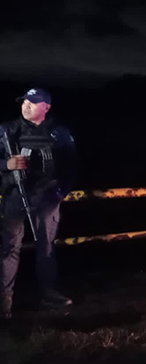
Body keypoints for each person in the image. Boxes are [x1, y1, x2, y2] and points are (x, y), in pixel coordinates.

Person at [0, 88, 77, 319]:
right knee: (8, 248)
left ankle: (49, 295)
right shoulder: (7, 130)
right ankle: (4, 301)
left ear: (46, 107)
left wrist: (60, 193)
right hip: (15, 196)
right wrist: (7, 165)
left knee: (46, 248)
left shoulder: (59, 133)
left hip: (47, 198)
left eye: (33, 102)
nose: (26, 105)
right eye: (24, 101)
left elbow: (71, 165)